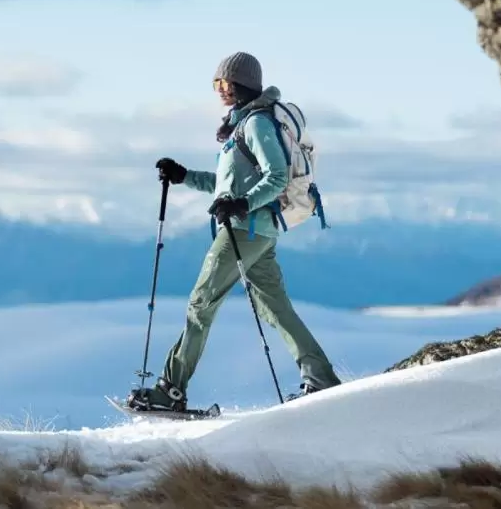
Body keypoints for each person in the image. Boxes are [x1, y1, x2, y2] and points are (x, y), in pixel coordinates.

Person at [127, 51, 341, 413]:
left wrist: (242, 205)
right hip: (259, 230)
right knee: (275, 307)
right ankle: (321, 378)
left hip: (245, 229)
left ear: (243, 84)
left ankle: (170, 391)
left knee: (201, 303)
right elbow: (228, 186)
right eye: (216, 83)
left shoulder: (255, 125)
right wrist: (184, 176)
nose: (220, 89)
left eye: (225, 82)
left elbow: (275, 177)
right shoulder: (242, 127)